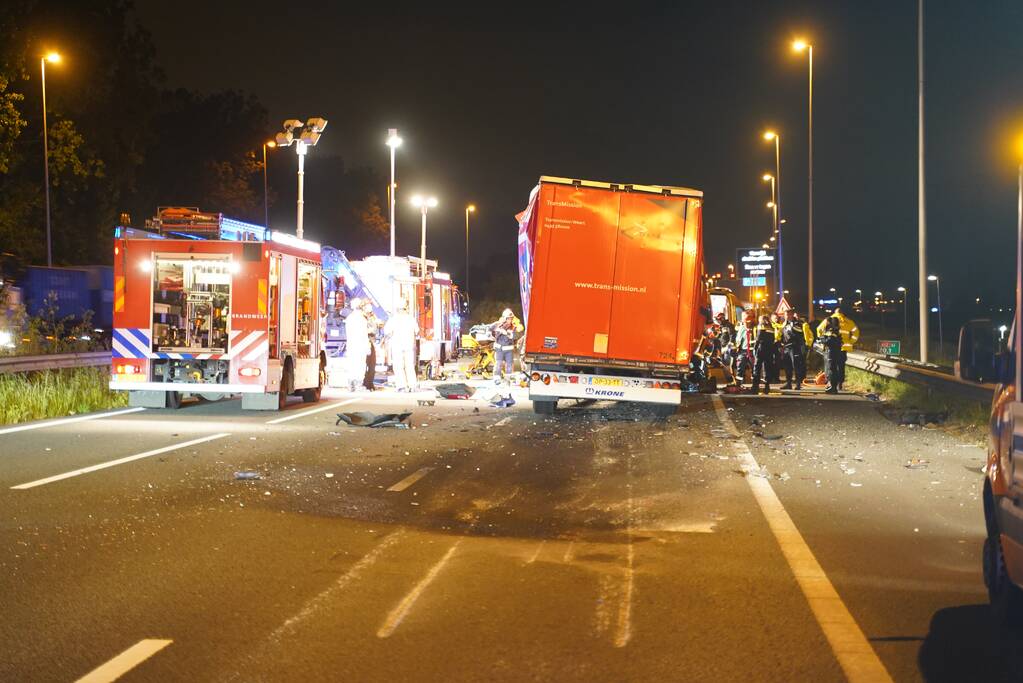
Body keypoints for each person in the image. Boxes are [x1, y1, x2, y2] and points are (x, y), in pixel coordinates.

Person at [816, 307, 860, 391]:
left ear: (834, 312)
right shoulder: (848, 321)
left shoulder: (828, 320)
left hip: (831, 347)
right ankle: (840, 384)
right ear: (843, 313)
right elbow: (856, 332)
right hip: (843, 347)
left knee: (831, 367)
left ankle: (831, 384)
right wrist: (851, 342)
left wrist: (822, 339)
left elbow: (819, 329)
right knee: (841, 366)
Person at [384, 303, 419, 392]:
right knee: (410, 366)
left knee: (399, 366)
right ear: (405, 308)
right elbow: (417, 331)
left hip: (397, 346)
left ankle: (402, 386)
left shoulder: (393, 319)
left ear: (397, 309)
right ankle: (413, 385)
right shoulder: (411, 319)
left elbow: (387, 332)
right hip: (409, 346)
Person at [781, 309, 813, 390]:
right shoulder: (785, 324)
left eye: (788, 315)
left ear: (792, 315)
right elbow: (783, 334)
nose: (786, 316)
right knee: (787, 366)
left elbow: (799, 333)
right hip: (786, 347)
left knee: (796, 366)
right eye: (785, 315)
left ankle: (798, 383)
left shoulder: (798, 323)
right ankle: (788, 383)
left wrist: (792, 325)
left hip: (795, 347)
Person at [343, 299, 369, 392]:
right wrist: (367, 347)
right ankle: (358, 385)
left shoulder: (350, 318)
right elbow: (364, 334)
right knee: (360, 365)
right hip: (360, 346)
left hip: (351, 345)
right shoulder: (362, 319)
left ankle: (351, 385)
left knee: (352, 364)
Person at [490, 308, 523, 379]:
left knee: (509, 365)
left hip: (509, 351)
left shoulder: (513, 327)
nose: (510, 320)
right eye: (508, 319)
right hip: (499, 350)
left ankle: (508, 379)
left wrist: (507, 333)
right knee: (498, 364)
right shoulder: (498, 325)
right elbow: (489, 328)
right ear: (505, 318)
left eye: (511, 319)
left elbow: (516, 335)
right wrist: (490, 335)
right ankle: (496, 378)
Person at [752, 314, 777, 394]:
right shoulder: (771, 327)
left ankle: (755, 386)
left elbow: (758, 338)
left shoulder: (761, 326)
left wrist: (755, 349)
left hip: (761, 348)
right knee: (767, 367)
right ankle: (767, 386)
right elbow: (773, 339)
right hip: (769, 349)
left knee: (757, 367)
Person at [820, 315, 843, 394]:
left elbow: (828, 341)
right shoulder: (835, 330)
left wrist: (822, 338)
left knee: (831, 369)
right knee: (832, 369)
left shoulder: (832, 331)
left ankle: (833, 387)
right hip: (833, 351)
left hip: (831, 352)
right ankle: (832, 386)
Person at [733, 311, 756, 387]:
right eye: (744, 320)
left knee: (754, 368)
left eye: (747, 321)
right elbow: (738, 339)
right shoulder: (742, 328)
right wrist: (736, 347)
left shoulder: (755, 328)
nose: (746, 322)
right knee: (740, 367)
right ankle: (738, 383)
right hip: (743, 351)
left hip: (753, 351)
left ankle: (755, 384)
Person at [362, 301, 380, 391]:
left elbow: (374, 330)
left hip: (369, 343)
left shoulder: (371, 318)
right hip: (365, 343)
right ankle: (366, 383)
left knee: (371, 364)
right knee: (366, 364)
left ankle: (369, 383)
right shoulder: (362, 318)